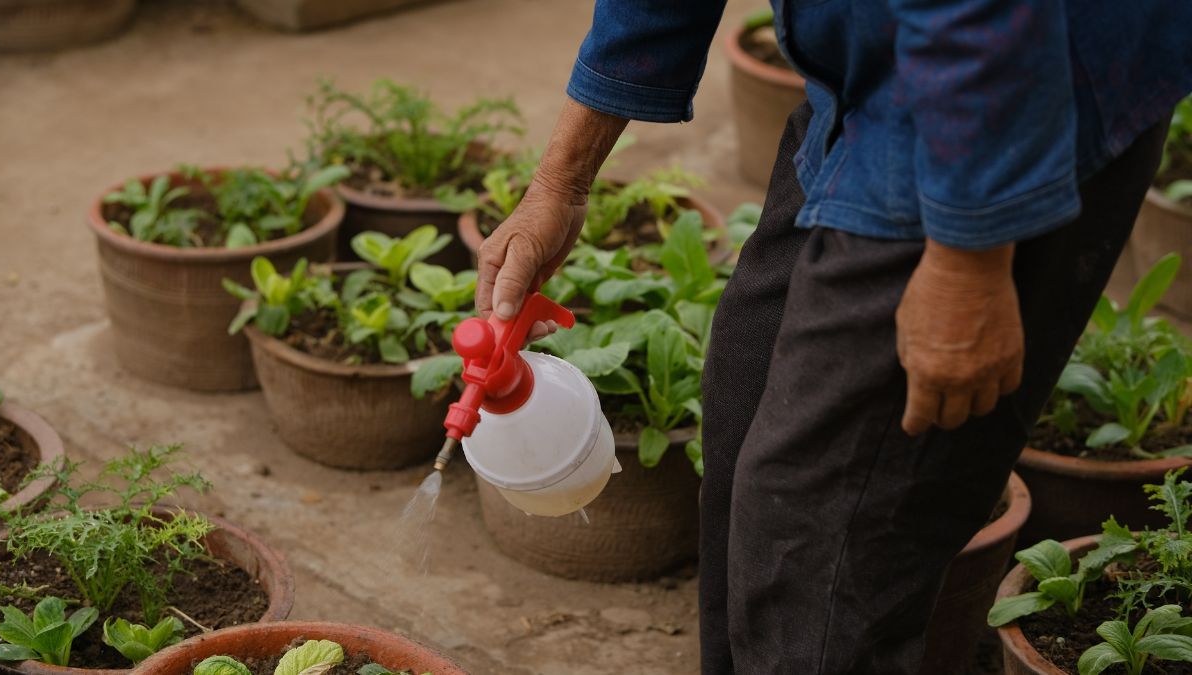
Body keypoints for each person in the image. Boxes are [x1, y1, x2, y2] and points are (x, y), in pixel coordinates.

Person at [474, 0, 1192, 672]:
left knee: (821, 550)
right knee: (747, 406)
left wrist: (969, 257)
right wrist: (560, 179)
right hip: (877, 58)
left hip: (1003, 92)